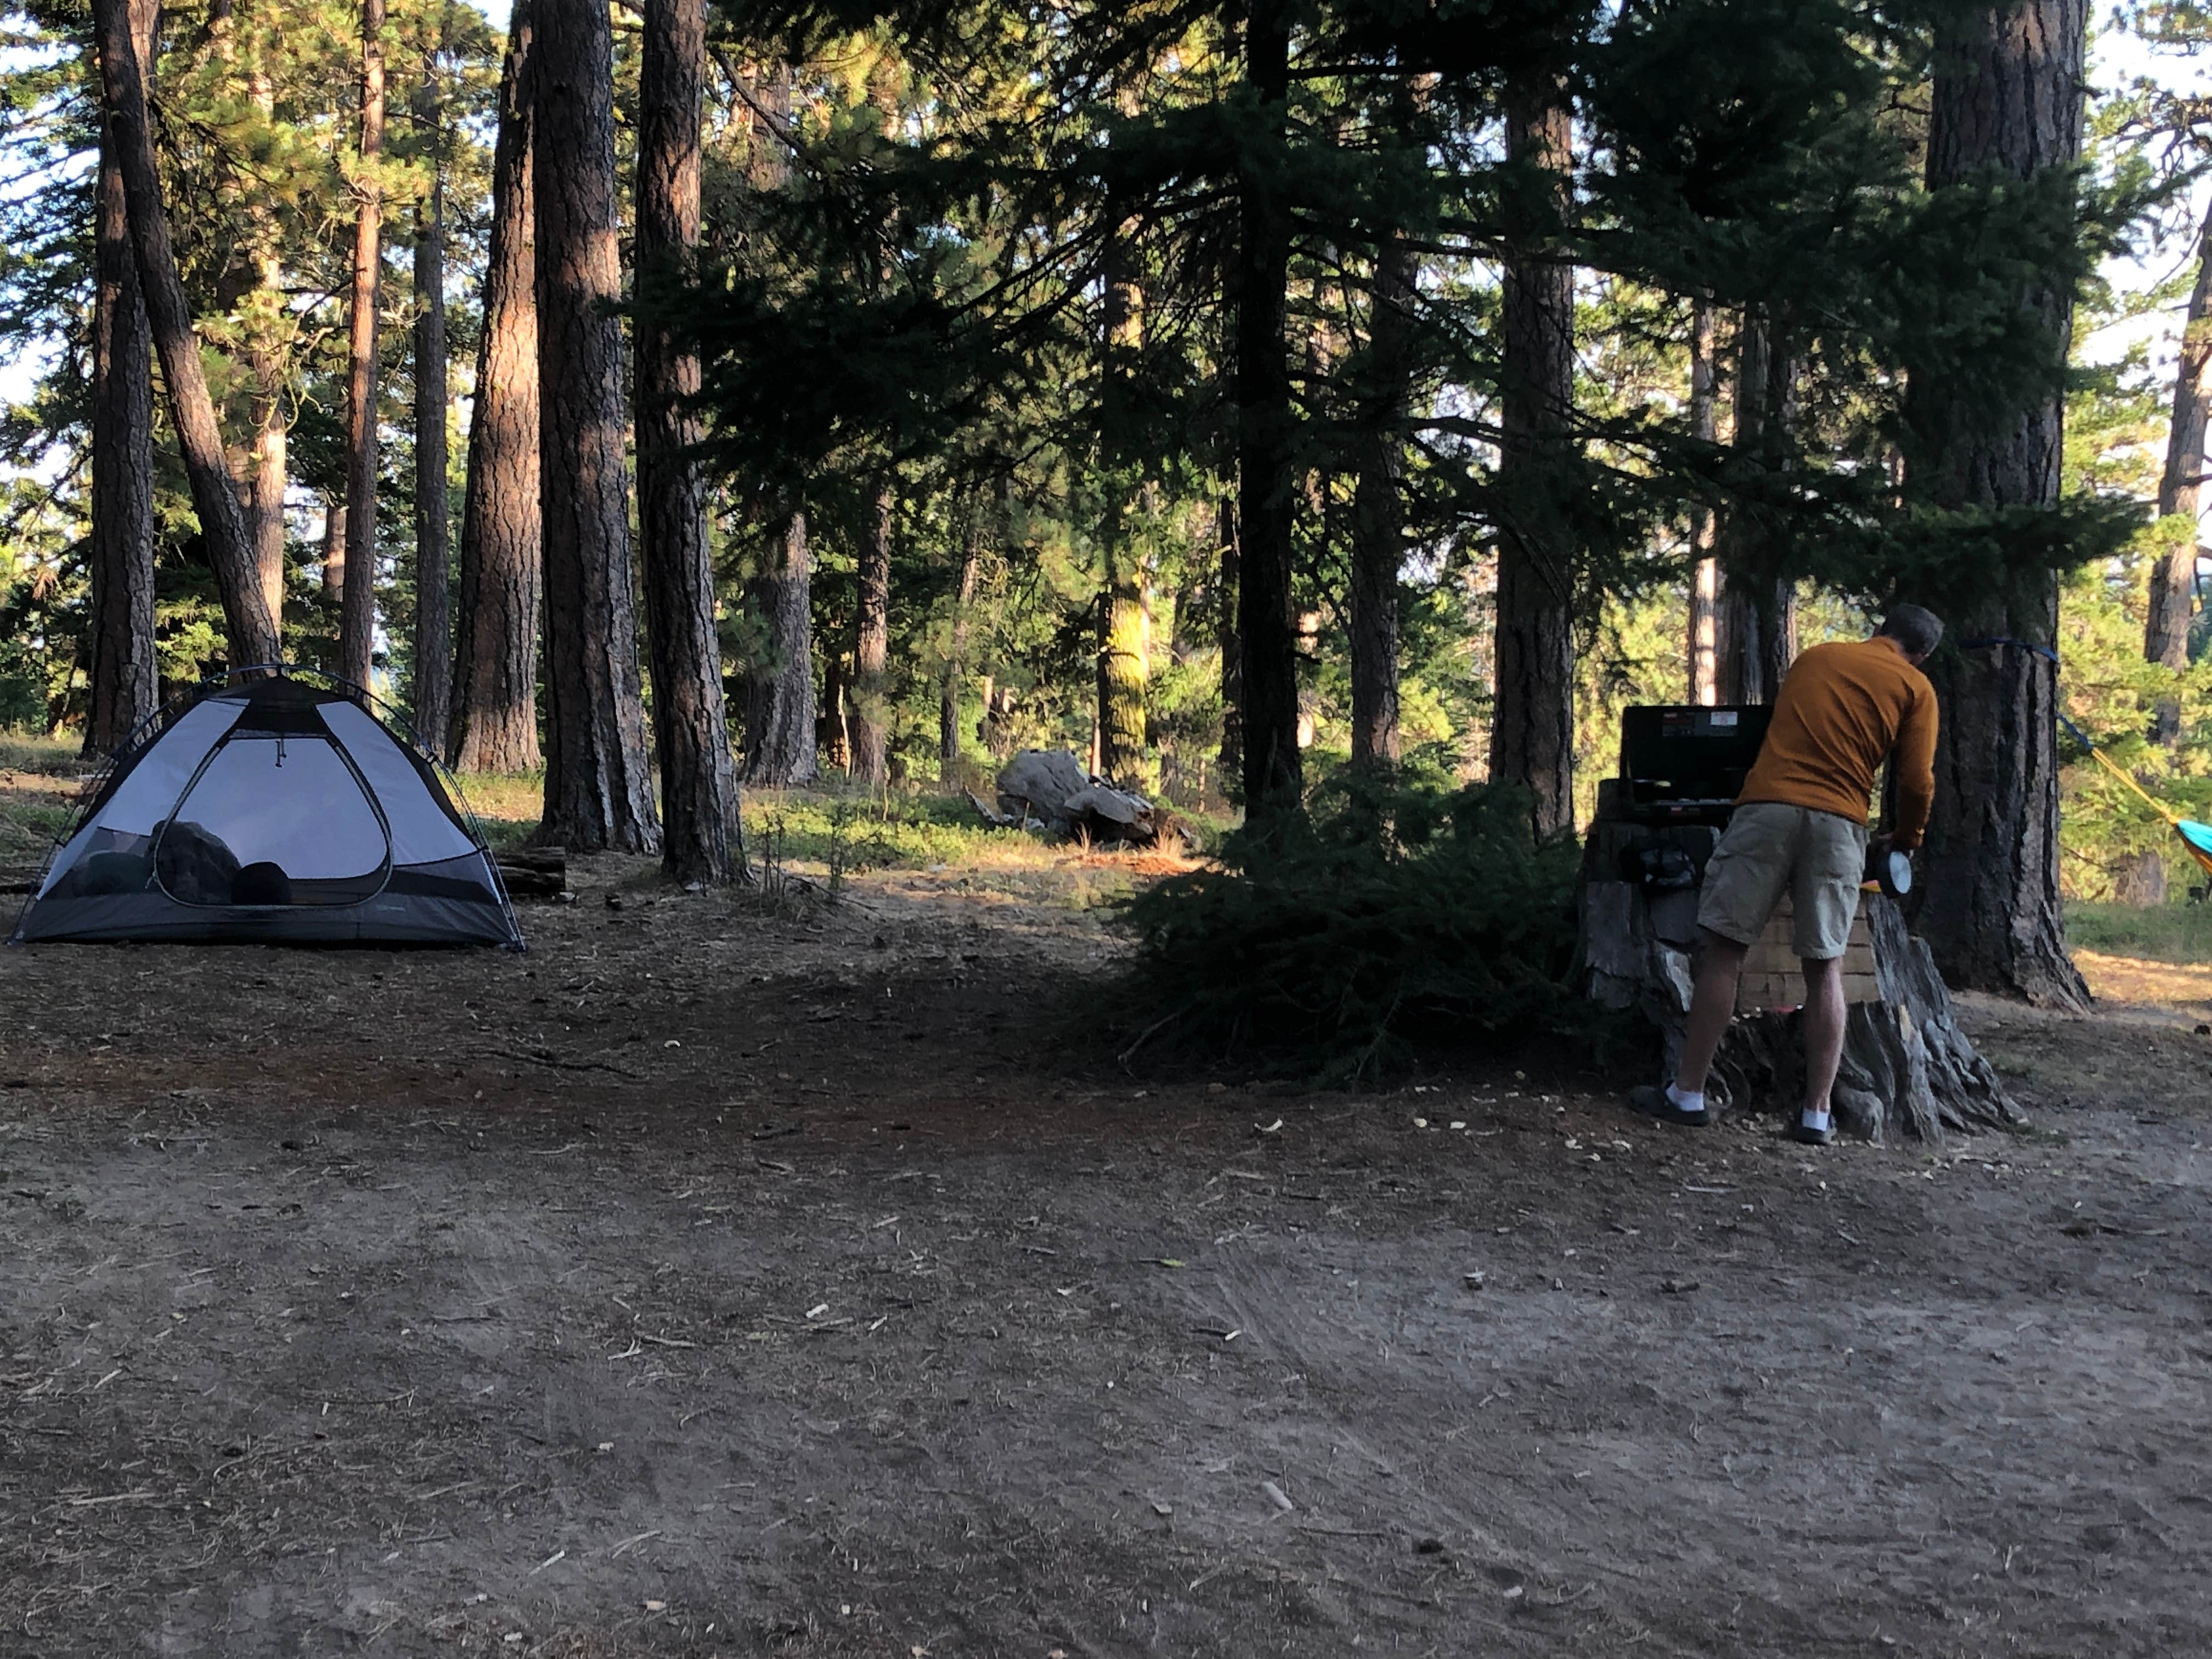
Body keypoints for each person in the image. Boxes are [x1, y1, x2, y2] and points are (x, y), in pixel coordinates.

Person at [1629, 605, 1943, 1146]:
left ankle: (1689, 1094)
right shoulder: (1916, 689)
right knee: (1826, 967)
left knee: (1724, 950)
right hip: (1840, 822)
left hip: (1767, 809)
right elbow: (1917, 783)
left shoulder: (1818, 657)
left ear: (1879, 631)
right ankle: (1816, 1115)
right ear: (1923, 655)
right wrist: (1907, 841)